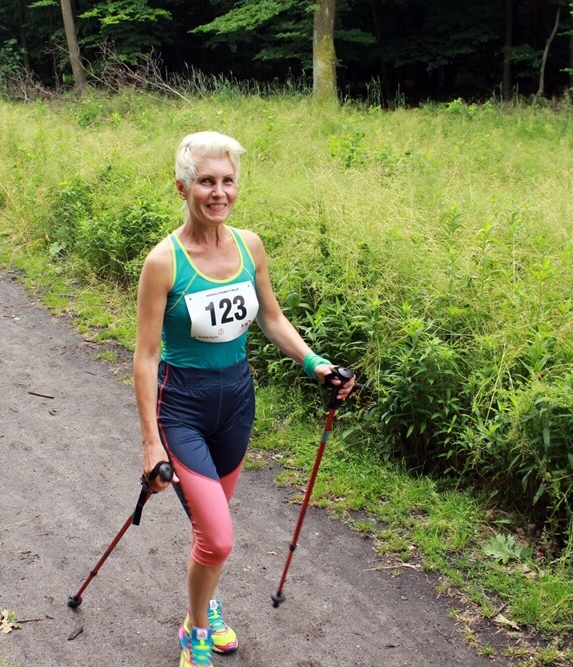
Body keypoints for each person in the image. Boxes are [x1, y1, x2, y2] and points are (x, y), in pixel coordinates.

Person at [133, 131, 356, 667]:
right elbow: (143, 357)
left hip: (236, 402)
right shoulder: (163, 262)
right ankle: (194, 627)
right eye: (206, 181)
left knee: (213, 528)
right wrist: (149, 446)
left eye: (227, 181)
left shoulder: (248, 245)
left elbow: (272, 318)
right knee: (218, 535)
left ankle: (206, 604)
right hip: (181, 407)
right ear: (182, 186)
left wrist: (315, 363)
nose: (218, 192)